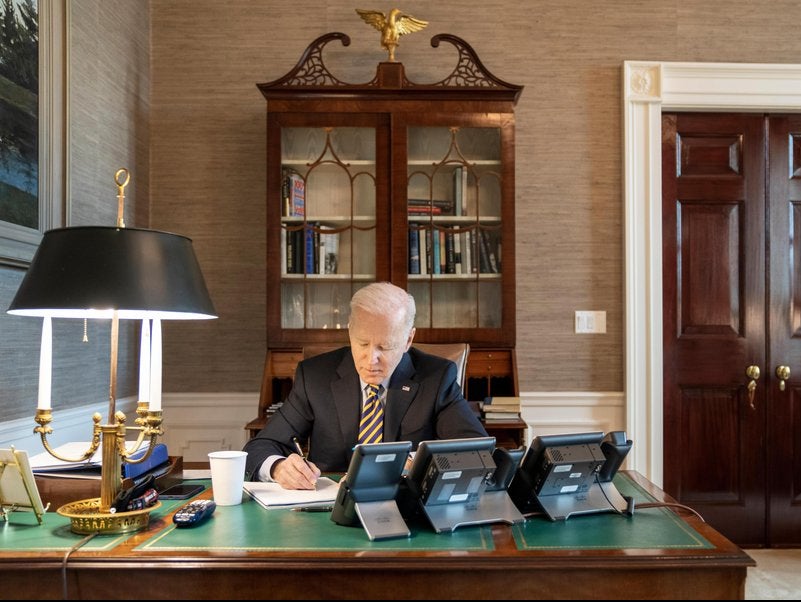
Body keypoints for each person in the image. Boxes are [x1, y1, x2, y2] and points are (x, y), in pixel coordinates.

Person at [243, 281, 488, 489]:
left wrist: (416, 461)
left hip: (403, 503)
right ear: (350, 332)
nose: (371, 359)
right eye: (362, 343)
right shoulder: (316, 376)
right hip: (328, 508)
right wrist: (277, 467)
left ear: (408, 339)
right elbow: (259, 448)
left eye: (385, 346)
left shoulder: (436, 377)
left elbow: (475, 451)